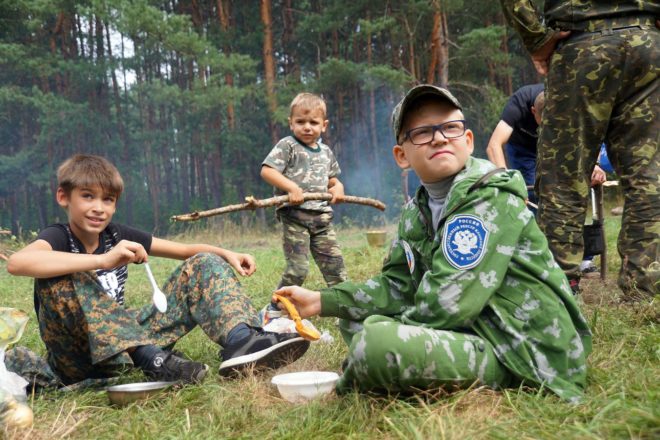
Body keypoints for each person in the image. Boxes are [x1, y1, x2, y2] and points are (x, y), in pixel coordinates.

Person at [274, 85, 592, 402]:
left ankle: (368, 366)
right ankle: (386, 351)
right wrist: (321, 301)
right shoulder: (417, 210)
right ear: (402, 156)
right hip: (476, 328)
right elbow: (398, 284)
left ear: (468, 141)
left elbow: (448, 304)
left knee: (375, 343)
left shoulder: (487, 197)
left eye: (450, 128)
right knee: (352, 317)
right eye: (422, 133)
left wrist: (369, 352)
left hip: (522, 349)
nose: (439, 138)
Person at [6, 154, 309, 388]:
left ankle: (243, 341)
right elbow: (17, 263)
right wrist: (103, 261)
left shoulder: (116, 234)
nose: (99, 207)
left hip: (127, 344)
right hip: (78, 356)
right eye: (88, 196)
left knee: (203, 262)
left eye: (108, 199)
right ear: (64, 197)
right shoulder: (58, 236)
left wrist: (227, 253)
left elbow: (185, 250)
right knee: (63, 272)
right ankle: (153, 360)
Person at [499, 1, 659, 299]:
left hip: (581, 41)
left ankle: (558, 293)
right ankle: (644, 292)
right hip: (647, 43)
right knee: (649, 175)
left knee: (562, 177)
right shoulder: (520, 104)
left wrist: (536, 37)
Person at [261, 92, 347, 291]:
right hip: (295, 217)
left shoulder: (326, 152)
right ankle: (277, 305)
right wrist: (291, 187)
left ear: (324, 125)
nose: (307, 127)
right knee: (298, 270)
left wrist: (338, 187)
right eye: (300, 122)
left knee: (336, 269)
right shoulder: (288, 146)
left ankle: (344, 308)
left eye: (313, 122)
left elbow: (332, 180)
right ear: (291, 123)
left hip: (322, 220)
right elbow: (267, 171)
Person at [486, 83, 544, 207]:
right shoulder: (519, 102)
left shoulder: (562, 102)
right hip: (522, 149)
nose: (544, 127)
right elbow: (493, 146)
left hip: (549, 147)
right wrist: (507, 182)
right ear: (533, 110)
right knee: (531, 193)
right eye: (542, 122)